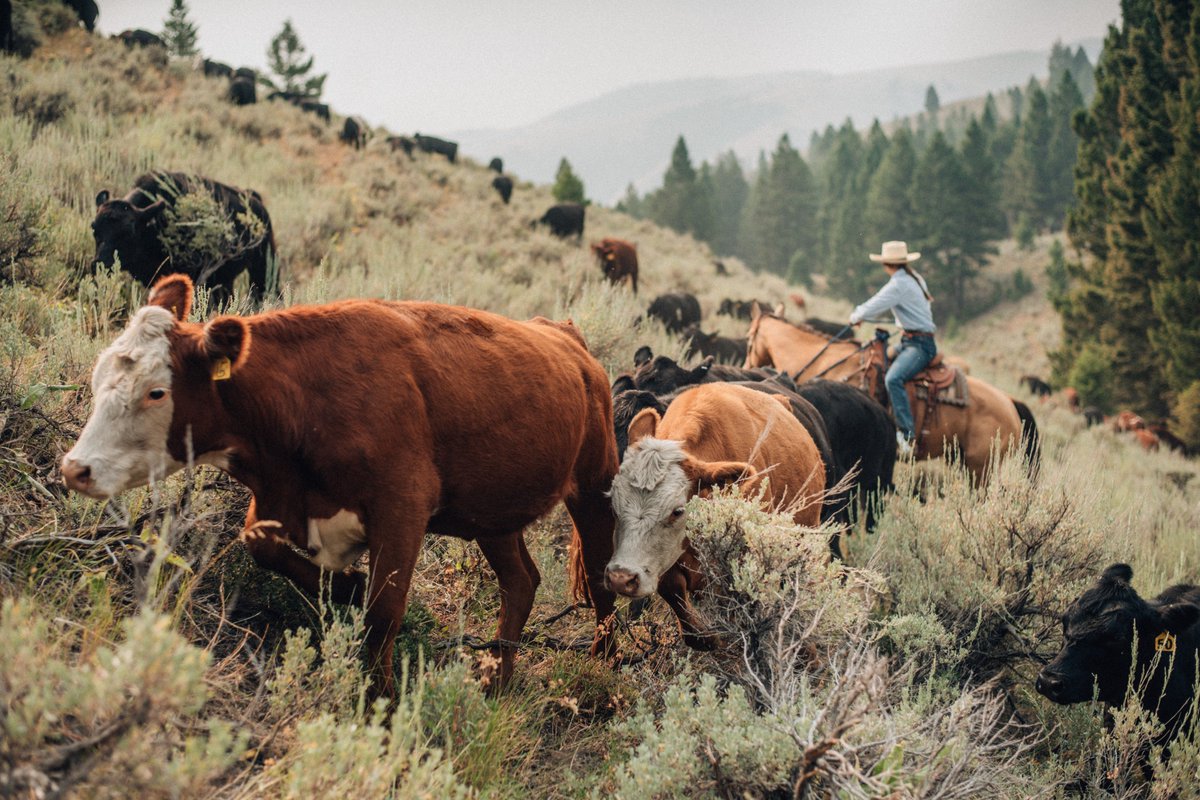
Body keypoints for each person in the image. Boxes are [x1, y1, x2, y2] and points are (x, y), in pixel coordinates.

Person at [848, 241, 936, 456]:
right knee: (877, 363)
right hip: (911, 340)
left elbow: (876, 304)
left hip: (919, 345)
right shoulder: (913, 278)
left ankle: (907, 436)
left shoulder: (898, 285)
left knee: (893, 379)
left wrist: (856, 316)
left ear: (886, 264)